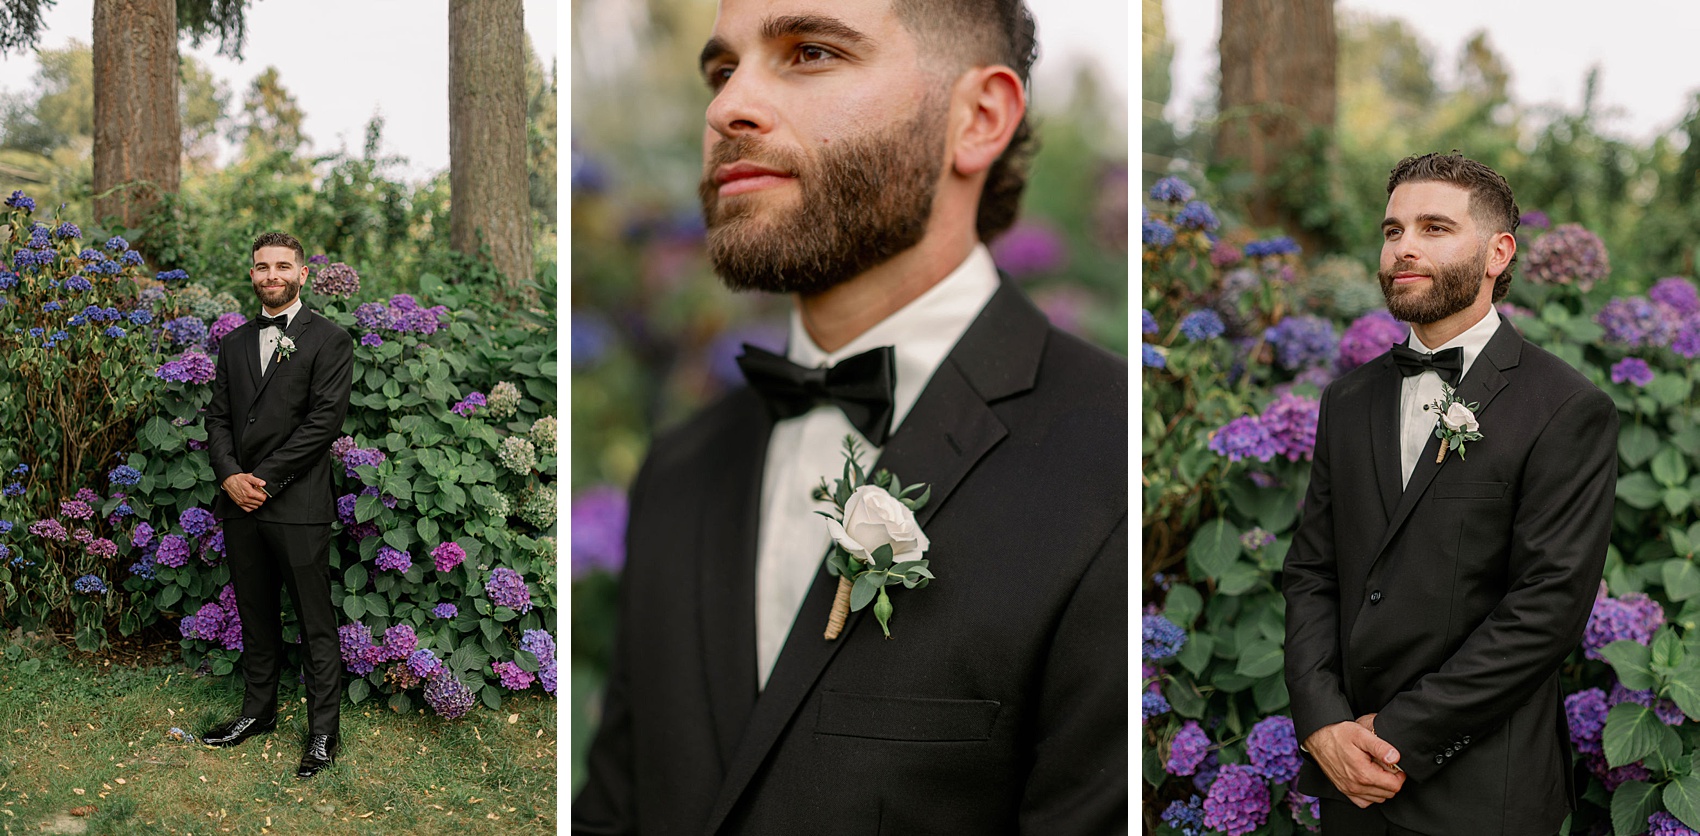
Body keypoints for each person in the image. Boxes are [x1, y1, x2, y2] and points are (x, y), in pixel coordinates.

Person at [571, 0, 1127, 834]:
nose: (727, 107)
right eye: (722, 71)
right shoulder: (678, 469)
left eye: (811, 53)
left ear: (977, 119)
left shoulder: (1112, 462)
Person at [1283, 152, 1618, 835]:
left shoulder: (1566, 407)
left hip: (1480, 795)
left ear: (1498, 253)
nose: (1404, 246)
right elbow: (1312, 572)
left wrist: (1401, 733)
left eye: (1434, 228)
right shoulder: (1347, 400)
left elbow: (1546, 608)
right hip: (1348, 787)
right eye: (1392, 229)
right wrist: (1321, 723)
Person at [202, 231, 355, 780]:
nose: (272, 275)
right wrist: (229, 477)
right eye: (262, 267)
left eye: (282, 266)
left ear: (303, 274)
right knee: (255, 614)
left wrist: (260, 478)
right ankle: (256, 713)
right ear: (252, 275)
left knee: (315, 622)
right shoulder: (235, 343)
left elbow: (323, 423)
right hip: (239, 501)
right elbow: (218, 418)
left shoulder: (330, 340)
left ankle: (322, 733)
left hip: (296, 500)